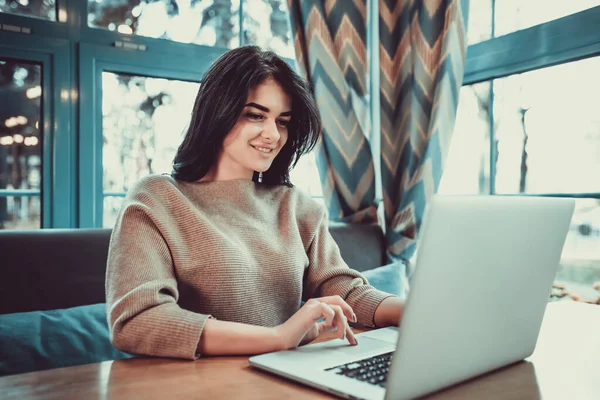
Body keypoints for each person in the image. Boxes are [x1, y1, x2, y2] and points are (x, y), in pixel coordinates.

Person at [105, 46, 404, 360]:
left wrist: (415, 311)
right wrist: (277, 338)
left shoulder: (295, 206)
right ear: (217, 112)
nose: (273, 134)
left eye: (283, 121)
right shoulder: (156, 199)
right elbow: (137, 321)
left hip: (285, 381)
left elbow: (344, 291)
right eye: (255, 115)